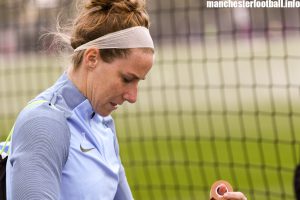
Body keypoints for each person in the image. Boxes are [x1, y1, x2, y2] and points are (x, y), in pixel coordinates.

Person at [5, 0, 248, 199]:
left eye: (138, 82)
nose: (133, 97)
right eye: (126, 79)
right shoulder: (43, 125)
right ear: (92, 58)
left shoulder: (102, 124)